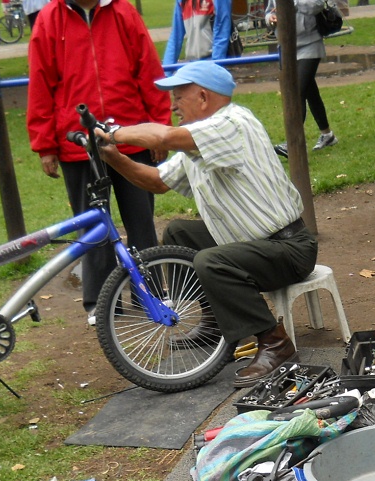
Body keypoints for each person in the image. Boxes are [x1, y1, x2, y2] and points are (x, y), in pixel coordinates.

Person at [95, 60, 317, 388]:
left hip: (288, 249)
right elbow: (156, 181)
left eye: (178, 97)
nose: (173, 106)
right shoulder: (201, 141)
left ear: (202, 97)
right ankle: (218, 326)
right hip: (255, 244)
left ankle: (275, 343)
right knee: (179, 232)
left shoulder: (231, 123)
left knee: (209, 261)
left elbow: (164, 136)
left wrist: (112, 132)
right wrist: (113, 156)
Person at [27, 0, 171, 323]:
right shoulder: (49, 19)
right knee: (92, 225)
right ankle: (102, 301)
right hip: (78, 142)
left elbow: (148, 69)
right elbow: (40, 81)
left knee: (141, 218)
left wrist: (159, 129)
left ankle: (151, 292)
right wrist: (45, 144)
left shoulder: (123, 12)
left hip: (130, 134)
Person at [265, 0, 338, 157]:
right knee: (310, 92)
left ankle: (293, 143)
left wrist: (291, 4)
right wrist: (271, 19)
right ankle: (328, 135)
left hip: (310, 43)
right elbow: (269, 12)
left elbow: (317, 5)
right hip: (287, 45)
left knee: (296, 91)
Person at [162, 0, 232, 68]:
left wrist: (216, 66)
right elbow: (175, 37)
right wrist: (167, 70)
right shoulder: (181, 1)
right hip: (193, 63)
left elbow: (222, 31)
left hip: (211, 61)